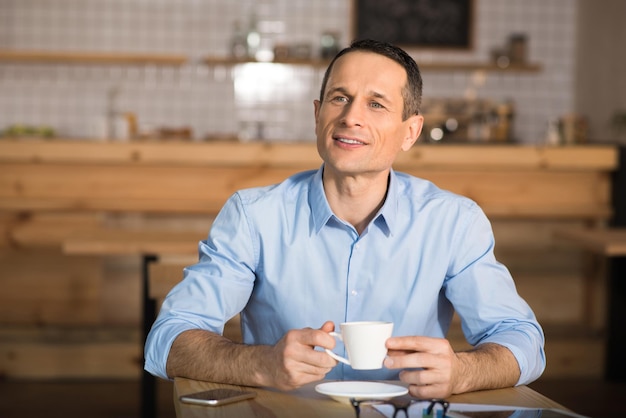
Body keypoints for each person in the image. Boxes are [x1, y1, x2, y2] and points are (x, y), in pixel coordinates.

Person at [144, 39, 545, 399]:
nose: (352, 117)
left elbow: (523, 341)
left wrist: (462, 372)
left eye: (376, 104)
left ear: (411, 132)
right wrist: (261, 363)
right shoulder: (253, 217)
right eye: (339, 98)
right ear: (318, 115)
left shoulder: (454, 221)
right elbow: (167, 340)